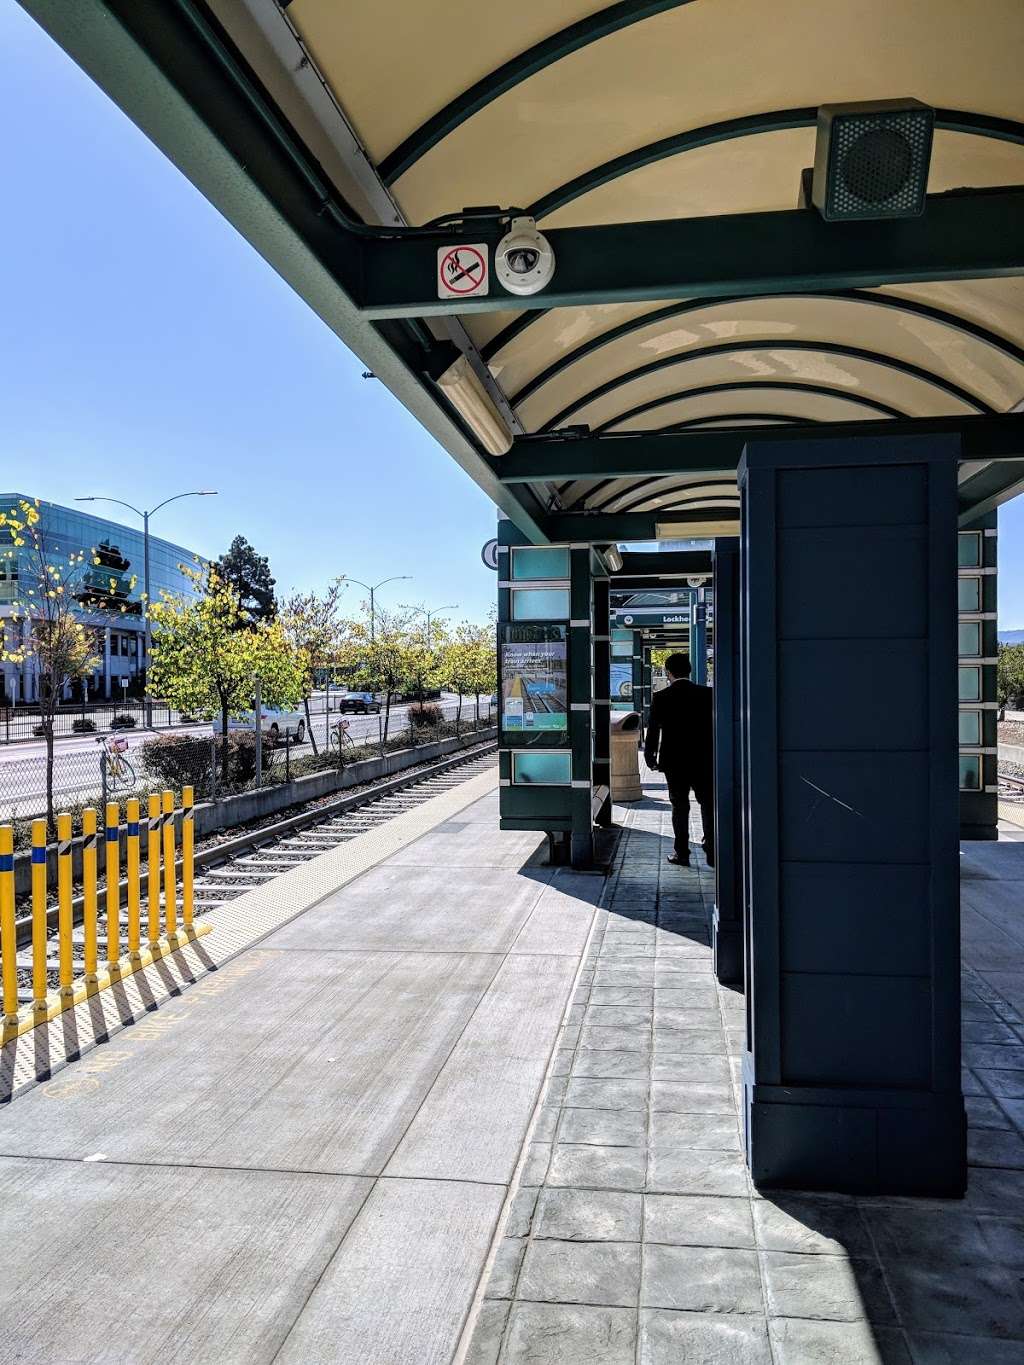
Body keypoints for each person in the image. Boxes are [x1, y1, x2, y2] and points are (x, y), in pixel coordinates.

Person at [643, 652, 714, 868]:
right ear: (689, 671)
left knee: (679, 806)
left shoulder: (661, 697)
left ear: (668, 672)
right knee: (708, 803)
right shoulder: (708, 694)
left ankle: (682, 853)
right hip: (704, 758)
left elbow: (653, 730)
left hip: (674, 761)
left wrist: (650, 756)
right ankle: (712, 849)